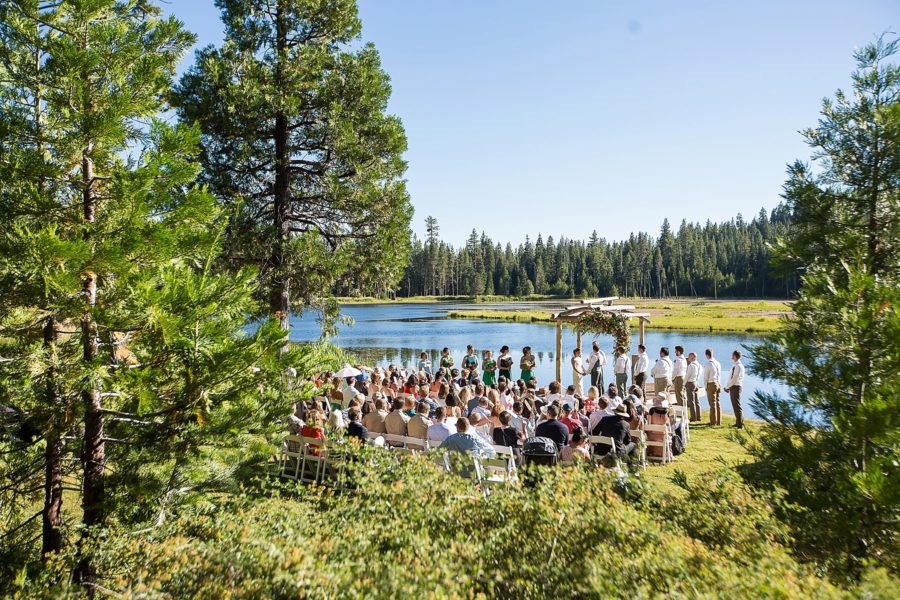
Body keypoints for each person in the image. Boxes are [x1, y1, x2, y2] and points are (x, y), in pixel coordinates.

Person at [724, 350, 745, 429]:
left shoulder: (738, 366)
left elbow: (734, 379)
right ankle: (738, 422)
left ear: (735, 356)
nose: (731, 356)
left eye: (732, 355)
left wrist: (727, 387)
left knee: (736, 405)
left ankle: (740, 425)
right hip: (734, 386)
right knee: (735, 405)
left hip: (735, 387)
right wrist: (728, 385)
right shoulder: (736, 365)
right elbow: (731, 377)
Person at [704, 348, 722, 426]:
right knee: (717, 403)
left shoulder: (708, 364)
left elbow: (705, 378)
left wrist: (705, 387)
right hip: (718, 383)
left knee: (712, 404)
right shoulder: (718, 363)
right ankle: (718, 421)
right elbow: (719, 374)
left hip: (711, 383)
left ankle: (713, 421)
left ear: (707, 355)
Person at [685, 352, 702, 422]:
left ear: (692, 357)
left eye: (689, 357)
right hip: (696, 382)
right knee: (697, 400)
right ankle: (699, 416)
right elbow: (700, 374)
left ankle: (693, 417)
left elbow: (687, 376)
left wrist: (683, 384)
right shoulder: (699, 365)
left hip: (690, 383)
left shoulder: (691, 365)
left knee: (691, 401)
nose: (688, 358)